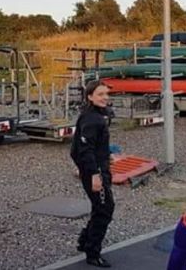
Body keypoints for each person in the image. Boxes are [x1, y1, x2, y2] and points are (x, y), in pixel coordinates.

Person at [70, 80, 115, 268]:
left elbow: (82, 148)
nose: (105, 98)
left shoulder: (94, 116)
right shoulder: (91, 119)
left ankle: (84, 241)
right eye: (100, 94)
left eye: (106, 94)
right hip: (95, 172)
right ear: (90, 97)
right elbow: (83, 150)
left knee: (100, 208)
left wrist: (107, 155)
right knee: (105, 210)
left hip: (98, 168)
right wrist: (94, 174)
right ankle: (92, 252)